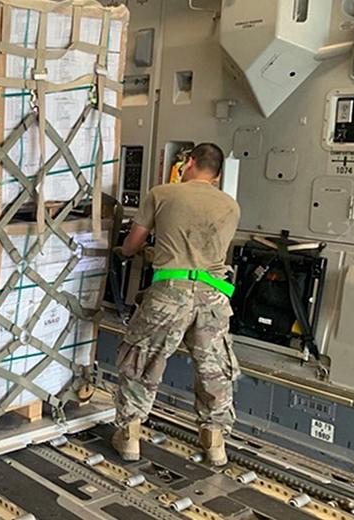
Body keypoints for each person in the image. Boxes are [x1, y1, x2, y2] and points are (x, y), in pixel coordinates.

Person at [112, 143, 241, 466]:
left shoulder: (163, 193)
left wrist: (124, 252)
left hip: (170, 292)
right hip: (213, 296)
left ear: (191, 162)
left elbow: (133, 243)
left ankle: (129, 436)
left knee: (142, 360)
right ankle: (214, 441)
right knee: (213, 369)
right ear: (218, 175)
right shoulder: (231, 205)